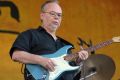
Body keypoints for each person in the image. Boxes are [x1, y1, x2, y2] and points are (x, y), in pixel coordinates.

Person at [9, 0, 89, 80]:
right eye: (52, 13)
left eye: (59, 15)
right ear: (42, 16)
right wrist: (41, 60)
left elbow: (71, 77)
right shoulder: (31, 34)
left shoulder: (65, 45)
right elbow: (16, 55)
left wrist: (79, 62)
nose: (56, 17)